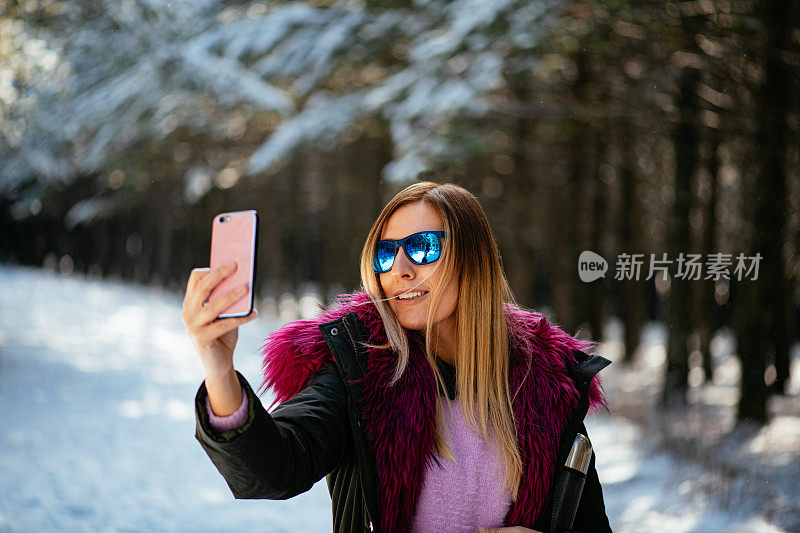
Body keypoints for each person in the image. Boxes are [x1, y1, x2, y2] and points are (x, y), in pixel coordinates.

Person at [183, 182, 613, 533]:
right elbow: (275, 469)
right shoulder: (359, 366)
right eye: (386, 253)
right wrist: (219, 368)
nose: (400, 269)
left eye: (424, 247)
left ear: (472, 260)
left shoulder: (548, 384)